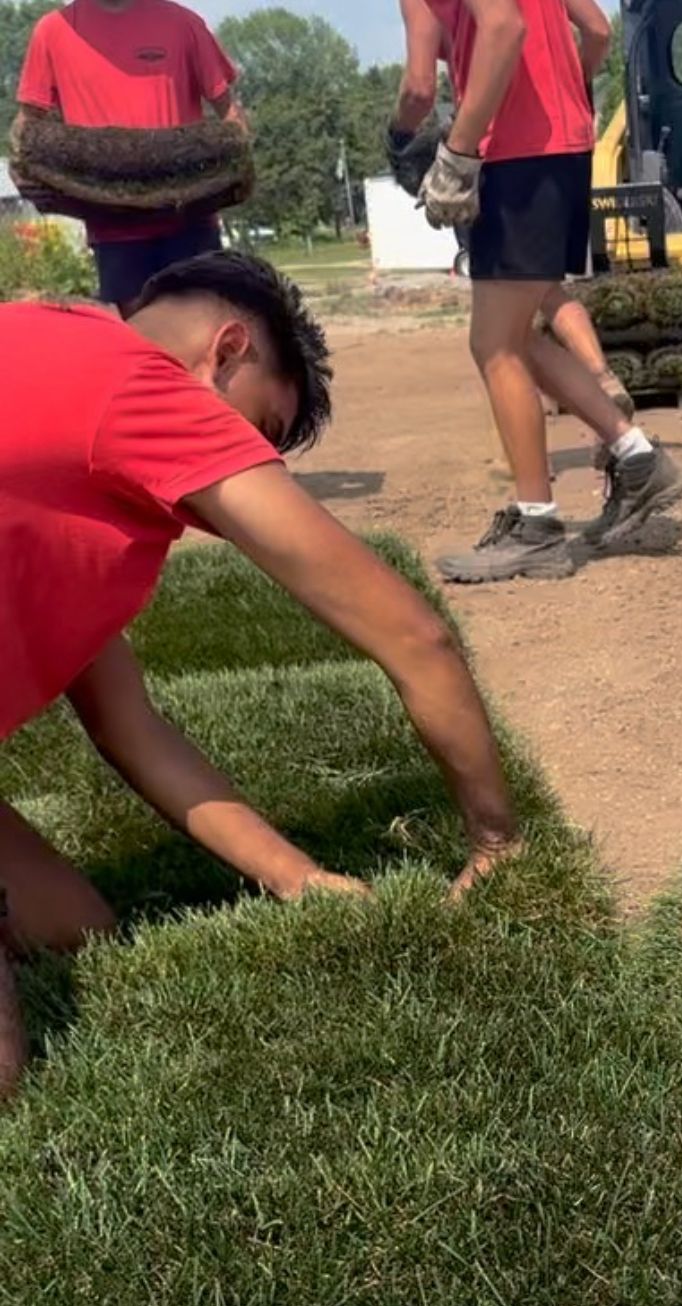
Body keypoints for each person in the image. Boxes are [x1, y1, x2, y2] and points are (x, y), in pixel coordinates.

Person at [0, 252, 520, 1097]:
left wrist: (299, 877)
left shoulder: (59, 346)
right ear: (228, 349)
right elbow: (416, 636)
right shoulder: (149, 392)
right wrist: (498, 841)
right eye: (261, 433)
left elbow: (130, 728)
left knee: (75, 930)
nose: (253, 461)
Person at [392, 0, 682, 584]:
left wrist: (450, 150)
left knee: (493, 346)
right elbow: (598, 31)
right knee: (517, 338)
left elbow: (424, 85)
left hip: (514, 157)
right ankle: (638, 460)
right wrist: (562, 97)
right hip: (564, 150)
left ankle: (538, 528)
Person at [14, 0, 247, 311]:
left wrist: (237, 166)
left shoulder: (183, 23)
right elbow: (29, 124)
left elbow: (230, 115)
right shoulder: (52, 31)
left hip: (190, 218)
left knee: (204, 334)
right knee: (142, 337)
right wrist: (25, 172)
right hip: (114, 226)